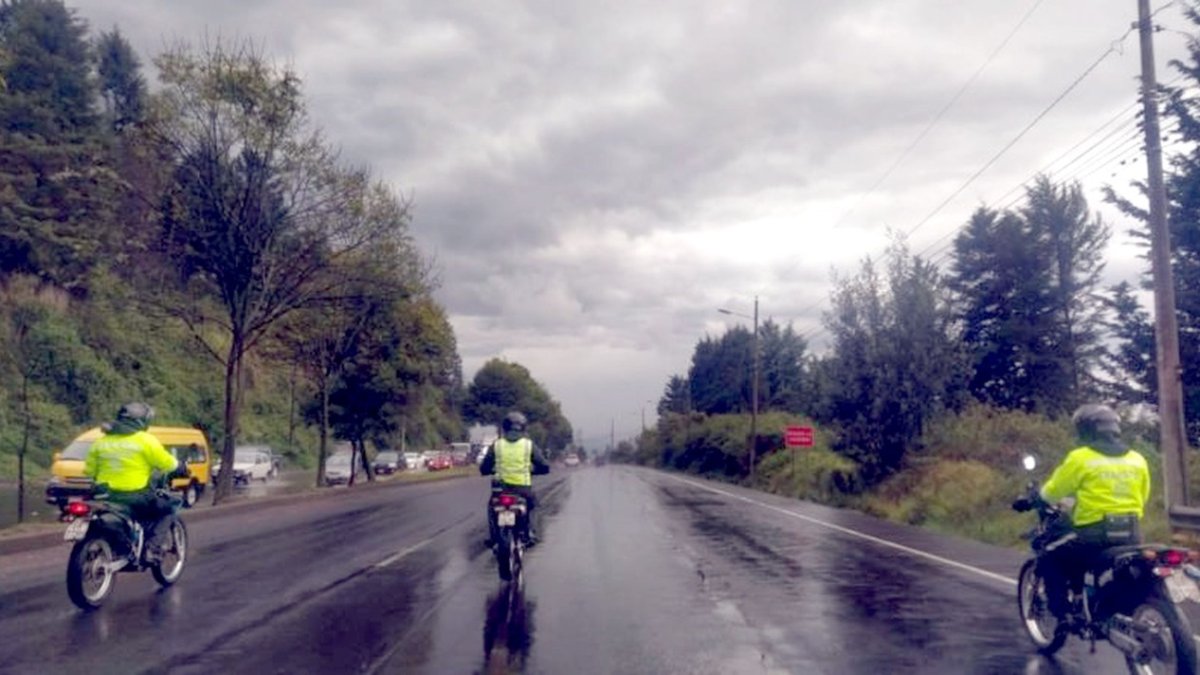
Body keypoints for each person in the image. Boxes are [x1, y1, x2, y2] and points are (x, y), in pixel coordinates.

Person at [1037, 403, 1151, 623]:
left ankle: (1062, 614)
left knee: (1049, 555)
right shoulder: (1137, 459)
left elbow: (1053, 492)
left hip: (1093, 536)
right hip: (1132, 534)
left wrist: (1039, 498)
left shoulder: (1081, 458)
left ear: (1084, 430)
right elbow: (1142, 496)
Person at [84, 402, 184, 561]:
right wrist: (180, 466)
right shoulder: (145, 440)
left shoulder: (101, 442)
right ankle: (152, 549)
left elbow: (89, 471)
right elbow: (167, 463)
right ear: (143, 421)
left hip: (104, 496)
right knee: (168, 508)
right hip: (135, 496)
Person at [480, 411, 550, 546]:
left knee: (491, 508)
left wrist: (489, 470)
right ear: (523, 428)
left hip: (500, 489)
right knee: (533, 506)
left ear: (504, 428)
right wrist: (534, 470)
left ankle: (494, 536)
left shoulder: (497, 445)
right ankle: (530, 533)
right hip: (522, 489)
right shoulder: (528, 445)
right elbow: (544, 466)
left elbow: (484, 467)